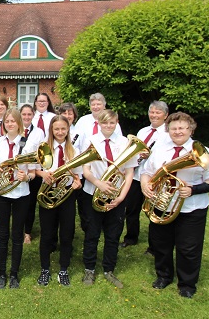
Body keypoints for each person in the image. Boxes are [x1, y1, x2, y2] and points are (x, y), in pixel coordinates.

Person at [140, 112, 209, 299]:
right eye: (174, 128)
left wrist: (194, 189)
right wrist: (145, 185)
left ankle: (187, 284)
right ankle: (164, 276)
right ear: (168, 130)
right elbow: (147, 172)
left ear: (190, 129)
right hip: (162, 205)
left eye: (182, 128)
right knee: (161, 244)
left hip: (191, 207)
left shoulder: (202, 151)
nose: (178, 132)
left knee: (189, 248)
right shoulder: (160, 149)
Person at [81, 109, 137, 289]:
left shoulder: (125, 143)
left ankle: (108, 269)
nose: (108, 126)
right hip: (92, 192)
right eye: (105, 123)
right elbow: (86, 170)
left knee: (113, 235)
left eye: (112, 123)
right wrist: (99, 183)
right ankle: (89, 268)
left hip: (116, 196)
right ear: (99, 123)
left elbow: (130, 173)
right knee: (92, 233)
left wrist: (121, 197)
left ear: (117, 122)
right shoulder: (91, 141)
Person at [0, 108, 36, 289]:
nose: (10, 124)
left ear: (19, 123)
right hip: (2, 194)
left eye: (13, 121)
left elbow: (33, 172)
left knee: (17, 235)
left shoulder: (28, 145)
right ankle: (1, 273)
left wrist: (27, 177)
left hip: (21, 194)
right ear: (4, 124)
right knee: (2, 235)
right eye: (7, 121)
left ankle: (14, 274)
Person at [35, 115, 82, 287]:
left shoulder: (74, 151)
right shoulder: (45, 149)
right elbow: (35, 170)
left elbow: (78, 175)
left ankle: (63, 270)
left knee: (67, 233)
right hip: (48, 194)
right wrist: (43, 174)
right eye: (57, 129)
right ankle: (45, 269)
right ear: (51, 131)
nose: (60, 132)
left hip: (67, 196)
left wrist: (77, 182)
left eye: (63, 129)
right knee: (46, 234)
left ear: (68, 130)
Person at [121, 101, 169, 250]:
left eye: (158, 112)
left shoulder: (167, 134)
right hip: (136, 175)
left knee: (154, 211)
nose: (154, 115)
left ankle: (154, 246)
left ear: (166, 115)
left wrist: (150, 155)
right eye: (152, 112)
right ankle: (131, 238)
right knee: (132, 209)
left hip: (155, 178)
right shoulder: (143, 131)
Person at [59, 102, 88, 233]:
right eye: (64, 113)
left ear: (74, 115)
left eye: (70, 113)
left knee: (76, 206)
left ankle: (85, 229)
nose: (67, 115)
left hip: (76, 174)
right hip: (59, 174)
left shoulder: (80, 133)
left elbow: (84, 153)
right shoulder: (55, 130)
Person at [20, 104, 46, 245]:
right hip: (18, 172)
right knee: (19, 204)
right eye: (24, 114)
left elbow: (41, 153)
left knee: (30, 204)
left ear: (33, 115)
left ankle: (27, 233)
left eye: (29, 114)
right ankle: (18, 229)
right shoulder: (15, 130)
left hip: (33, 173)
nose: (26, 117)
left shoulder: (39, 132)